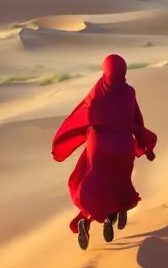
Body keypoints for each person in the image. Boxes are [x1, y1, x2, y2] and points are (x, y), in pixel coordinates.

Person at [51, 54, 158, 250]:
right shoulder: (129, 93)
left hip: (99, 146)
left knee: (91, 183)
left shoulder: (98, 92)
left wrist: (70, 138)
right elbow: (136, 120)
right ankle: (114, 214)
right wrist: (145, 146)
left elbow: (86, 115)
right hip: (123, 147)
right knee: (119, 181)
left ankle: (87, 218)